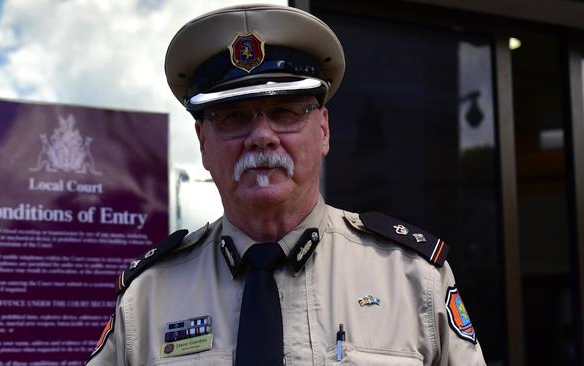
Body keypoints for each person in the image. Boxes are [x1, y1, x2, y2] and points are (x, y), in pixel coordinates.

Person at [86, 4, 486, 365]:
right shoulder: (147, 299)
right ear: (203, 144)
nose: (262, 136)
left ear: (324, 130)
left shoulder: (411, 280)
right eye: (232, 117)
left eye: (286, 111)